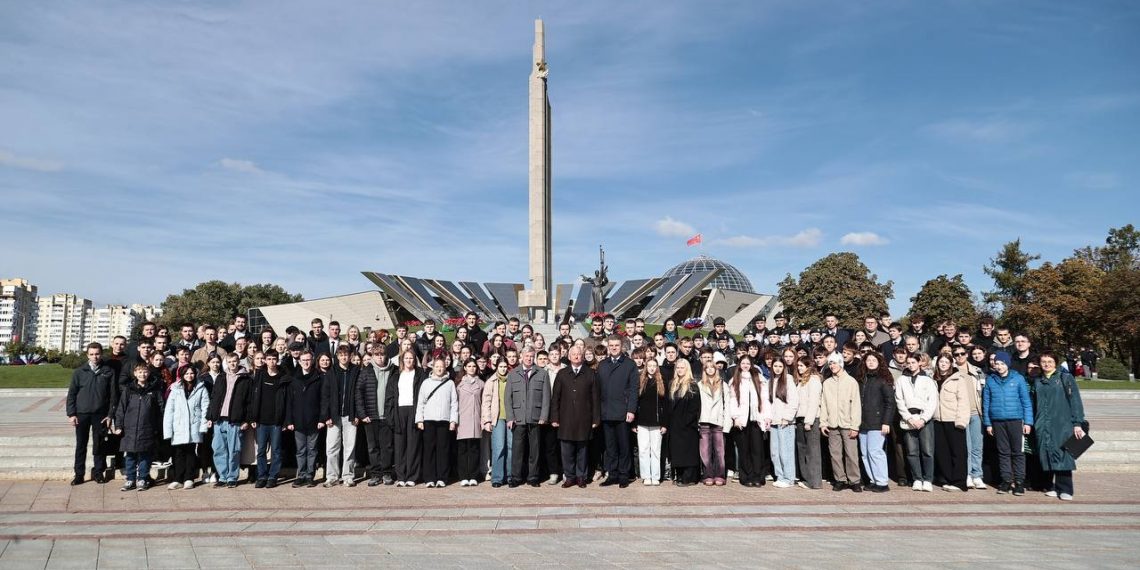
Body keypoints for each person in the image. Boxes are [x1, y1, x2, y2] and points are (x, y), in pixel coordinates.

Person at [1032, 351, 1086, 501]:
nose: (1047, 364)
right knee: (1046, 453)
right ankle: (1050, 486)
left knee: (1064, 455)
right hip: (1043, 423)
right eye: (1043, 361)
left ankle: (1066, 489)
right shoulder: (1037, 380)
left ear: (1055, 363)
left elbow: (1075, 401)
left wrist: (1077, 423)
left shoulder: (1065, 378)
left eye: (1050, 361)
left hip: (1062, 423)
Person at [983, 351, 1034, 496]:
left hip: (1016, 420)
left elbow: (1026, 402)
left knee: (1018, 453)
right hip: (997, 421)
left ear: (1008, 364)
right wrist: (988, 423)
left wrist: (1028, 422)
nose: (999, 366)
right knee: (1003, 452)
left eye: (1002, 363)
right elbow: (986, 403)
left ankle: (1019, 482)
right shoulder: (991, 380)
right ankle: (1006, 480)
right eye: (997, 363)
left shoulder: (1018, 379)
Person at [550, 346, 601, 488]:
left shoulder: (590, 373)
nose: (576, 356)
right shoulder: (562, 373)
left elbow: (595, 398)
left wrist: (596, 419)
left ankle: (581, 477)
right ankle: (570, 477)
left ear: (583, 356)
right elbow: (556, 398)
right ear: (569, 356)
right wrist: (554, 418)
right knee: (566, 450)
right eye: (574, 354)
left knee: (582, 450)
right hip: (565, 418)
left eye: (579, 354)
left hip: (584, 418)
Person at [66, 342, 117, 486]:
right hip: (82, 414)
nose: (95, 357)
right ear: (87, 355)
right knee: (81, 445)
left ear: (102, 354)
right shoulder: (79, 372)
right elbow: (72, 394)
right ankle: (79, 475)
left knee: (99, 446)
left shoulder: (108, 371)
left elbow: (113, 395)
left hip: (100, 415)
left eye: (97, 354)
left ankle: (98, 473)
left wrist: (110, 415)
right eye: (92, 354)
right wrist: (71, 414)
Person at [504, 347, 551, 487]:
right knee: (517, 450)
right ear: (521, 356)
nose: (529, 358)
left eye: (531, 356)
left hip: (535, 417)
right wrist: (510, 417)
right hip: (518, 418)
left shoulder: (542, 373)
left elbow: (546, 397)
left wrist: (544, 416)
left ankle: (533, 477)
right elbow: (508, 398)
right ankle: (516, 478)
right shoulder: (513, 374)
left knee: (534, 450)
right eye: (526, 356)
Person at [596, 336, 639, 487]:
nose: (614, 348)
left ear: (622, 346)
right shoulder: (602, 365)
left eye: (616, 345)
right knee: (610, 446)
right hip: (606, 412)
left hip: (622, 412)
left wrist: (631, 409)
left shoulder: (629, 364)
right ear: (608, 347)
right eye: (611, 345)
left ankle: (623, 475)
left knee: (624, 446)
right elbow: (598, 390)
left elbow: (634, 389)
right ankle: (612, 474)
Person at [114, 363, 164, 491]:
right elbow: (121, 408)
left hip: (147, 427)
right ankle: (130, 479)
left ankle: (143, 478)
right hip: (130, 428)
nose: (143, 374)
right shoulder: (129, 389)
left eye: (145, 372)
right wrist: (118, 425)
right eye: (140, 372)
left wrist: (159, 426)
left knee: (145, 455)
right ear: (135, 374)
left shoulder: (154, 390)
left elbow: (161, 408)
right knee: (130, 455)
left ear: (148, 373)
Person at [205, 353, 251, 488]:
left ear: (238, 362)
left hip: (235, 420)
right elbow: (214, 398)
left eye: (235, 361)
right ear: (227, 363)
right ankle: (223, 476)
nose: (232, 364)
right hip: (219, 420)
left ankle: (232, 477)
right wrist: (210, 416)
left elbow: (249, 402)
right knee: (218, 449)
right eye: (230, 361)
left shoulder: (246, 379)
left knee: (234, 450)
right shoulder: (221, 377)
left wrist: (246, 420)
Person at [895, 354, 938, 492]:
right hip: (909, 419)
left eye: (913, 362)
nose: (911, 365)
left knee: (927, 451)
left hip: (924, 418)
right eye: (908, 362)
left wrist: (923, 419)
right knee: (912, 451)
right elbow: (899, 400)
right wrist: (908, 418)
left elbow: (932, 401)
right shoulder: (901, 380)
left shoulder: (928, 380)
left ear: (919, 363)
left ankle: (928, 479)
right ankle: (917, 478)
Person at [163, 366, 210, 490]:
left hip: (193, 425)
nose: (190, 375)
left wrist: (203, 425)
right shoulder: (175, 389)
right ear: (182, 375)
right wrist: (168, 429)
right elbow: (169, 410)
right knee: (178, 453)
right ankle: (178, 478)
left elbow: (205, 407)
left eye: (192, 373)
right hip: (178, 426)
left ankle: (189, 478)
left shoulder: (201, 388)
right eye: (187, 373)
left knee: (190, 453)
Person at [320, 346, 360, 487]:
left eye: (346, 355)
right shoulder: (331, 372)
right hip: (334, 416)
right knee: (332, 448)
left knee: (349, 447)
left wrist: (356, 414)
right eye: (341, 355)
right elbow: (325, 396)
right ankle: (332, 476)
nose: (343, 357)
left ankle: (348, 475)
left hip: (350, 415)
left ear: (350, 356)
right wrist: (327, 416)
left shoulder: (356, 371)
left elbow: (358, 394)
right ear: (337, 357)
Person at [248, 349, 289, 488]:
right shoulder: (260, 375)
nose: (271, 362)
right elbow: (254, 398)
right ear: (265, 360)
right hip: (261, 420)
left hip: (276, 421)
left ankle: (273, 477)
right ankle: (262, 476)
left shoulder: (283, 377)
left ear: (277, 360)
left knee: (276, 450)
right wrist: (253, 417)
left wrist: (285, 420)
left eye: (274, 359)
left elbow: (287, 400)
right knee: (261, 451)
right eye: (269, 359)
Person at [356, 344, 396, 486]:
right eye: (377, 354)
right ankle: (375, 474)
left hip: (387, 416)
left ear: (386, 355)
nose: (380, 357)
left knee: (387, 447)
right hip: (371, 417)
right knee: (373, 447)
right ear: (372, 356)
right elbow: (358, 394)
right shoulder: (366, 371)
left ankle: (386, 473)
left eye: (382, 354)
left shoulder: (393, 371)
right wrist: (362, 414)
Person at [415, 358, 459, 488]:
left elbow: (454, 403)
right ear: (432, 368)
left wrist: (453, 420)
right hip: (429, 420)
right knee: (429, 450)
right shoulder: (426, 383)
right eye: (437, 366)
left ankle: (442, 477)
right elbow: (421, 402)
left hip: (444, 420)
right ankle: (429, 477)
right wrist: (419, 419)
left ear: (445, 368)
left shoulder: (450, 383)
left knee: (443, 450)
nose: (439, 369)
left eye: (441, 366)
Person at [820, 353, 861, 492]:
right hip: (832, 423)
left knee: (851, 453)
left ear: (841, 364)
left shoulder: (851, 382)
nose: (832, 366)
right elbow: (824, 403)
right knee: (835, 453)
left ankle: (854, 480)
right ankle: (840, 479)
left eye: (835, 363)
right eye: (830, 363)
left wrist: (855, 426)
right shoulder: (827, 383)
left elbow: (856, 405)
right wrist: (823, 422)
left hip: (847, 423)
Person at [857, 352, 896, 493]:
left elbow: (890, 403)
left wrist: (886, 422)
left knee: (875, 452)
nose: (871, 362)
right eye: (868, 360)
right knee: (865, 454)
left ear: (879, 362)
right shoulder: (862, 379)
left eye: (874, 360)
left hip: (878, 422)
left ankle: (882, 481)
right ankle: (873, 480)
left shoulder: (883, 379)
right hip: (862, 422)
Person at [932, 354, 970, 492]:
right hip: (938, 420)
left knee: (958, 452)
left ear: (951, 364)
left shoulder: (958, 379)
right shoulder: (933, 379)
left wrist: (961, 420)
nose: (943, 364)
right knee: (942, 452)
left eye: (946, 362)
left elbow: (963, 401)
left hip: (953, 420)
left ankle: (960, 482)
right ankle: (949, 479)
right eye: (940, 361)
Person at [285, 352, 323, 487]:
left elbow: (322, 400)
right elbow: (289, 401)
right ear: (299, 362)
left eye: (308, 360)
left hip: (314, 420)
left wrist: (321, 419)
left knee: (312, 450)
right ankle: (301, 475)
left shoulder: (318, 377)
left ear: (312, 361)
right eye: (303, 360)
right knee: (300, 450)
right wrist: (289, 421)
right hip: (298, 420)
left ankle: (310, 476)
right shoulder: (294, 379)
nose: (306, 362)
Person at [388, 349, 426, 487]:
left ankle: (412, 476)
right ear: (402, 360)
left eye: (411, 358)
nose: (409, 360)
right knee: (400, 446)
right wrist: (391, 416)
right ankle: (401, 476)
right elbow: (390, 398)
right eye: (406, 358)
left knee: (413, 445)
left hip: (414, 411)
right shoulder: (396, 376)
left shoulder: (420, 374)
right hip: (399, 411)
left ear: (415, 360)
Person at [953, 345, 988, 489]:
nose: (959, 356)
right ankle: (966, 474)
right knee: (964, 447)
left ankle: (977, 475)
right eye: (956, 354)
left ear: (967, 354)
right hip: (960, 413)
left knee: (977, 446)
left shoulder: (977, 371)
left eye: (962, 353)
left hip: (975, 412)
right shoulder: (951, 371)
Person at [664, 359, 701, 486]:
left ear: (687, 369)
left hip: (687, 424)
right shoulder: (672, 384)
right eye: (678, 367)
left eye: (682, 367)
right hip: (674, 424)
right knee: (677, 451)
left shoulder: (692, 385)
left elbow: (695, 406)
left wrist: (687, 421)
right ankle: (679, 475)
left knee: (688, 451)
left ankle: (689, 477)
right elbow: (668, 404)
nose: (680, 370)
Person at [765, 359, 799, 488]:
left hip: (785, 422)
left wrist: (787, 417)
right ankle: (780, 475)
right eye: (775, 366)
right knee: (775, 451)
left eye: (780, 366)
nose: (777, 368)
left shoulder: (788, 380)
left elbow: (794, 401)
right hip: (774, 421)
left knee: (786, 452)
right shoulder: (770, 381)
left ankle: (788, 477)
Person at [634, 358, 667, 485]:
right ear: (646, 367)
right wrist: (634, 423)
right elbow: (635, 402)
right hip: (642, 421)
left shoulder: (661, 382)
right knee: (643, 450)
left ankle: (656, 476)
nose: (652, 368)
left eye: (654, 365)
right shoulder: (641, 381)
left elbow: (665, 405)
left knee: (655, 450)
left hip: (656, 421)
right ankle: (646, 476)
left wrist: (664, 423)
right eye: (649, 365)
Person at [481, 359, 513, 487]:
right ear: (497, 367)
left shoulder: (512, 380)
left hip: (511, 418)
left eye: (505, 366)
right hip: (497, 418)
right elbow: (486, 402)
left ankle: (510, 476)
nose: (503, 369)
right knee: (499, 447)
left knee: (511, 448)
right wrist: (487, 420)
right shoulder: (491, 381)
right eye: (501, 366)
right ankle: (497, 478)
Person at [794, 357, 823, 489]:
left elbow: (814, 401)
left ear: (808, 366)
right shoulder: (802, 382)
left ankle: (815, 481)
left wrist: (809, 421)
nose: (799, 368)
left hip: (810, 419)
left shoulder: (814, 380)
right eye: (798, 365)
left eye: (802, 366)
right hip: (800, 419)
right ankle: (806, 478)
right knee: (803, 449)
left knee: (813, 451)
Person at [455, 359, 485, 486]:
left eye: (474, 366)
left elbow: (484, 402)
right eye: (469, 366)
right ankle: (463, 476)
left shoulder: (482, 384)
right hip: (462, 419)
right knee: (462, 449)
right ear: (465, 368)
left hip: (476, 418)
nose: (472, 368)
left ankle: (473, 475)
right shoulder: (458, 384)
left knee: (474, 448)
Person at [697, 362, 727, 486]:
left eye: (712, 367)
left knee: (720, 450)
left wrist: (727, 421)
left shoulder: (723, 385)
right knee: (705, 451)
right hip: (704, 420)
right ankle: (708, 475)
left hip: (718, 420)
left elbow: (727, 404)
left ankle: (719, 475)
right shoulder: (699, 385)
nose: (710, 370)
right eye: (707, 368)